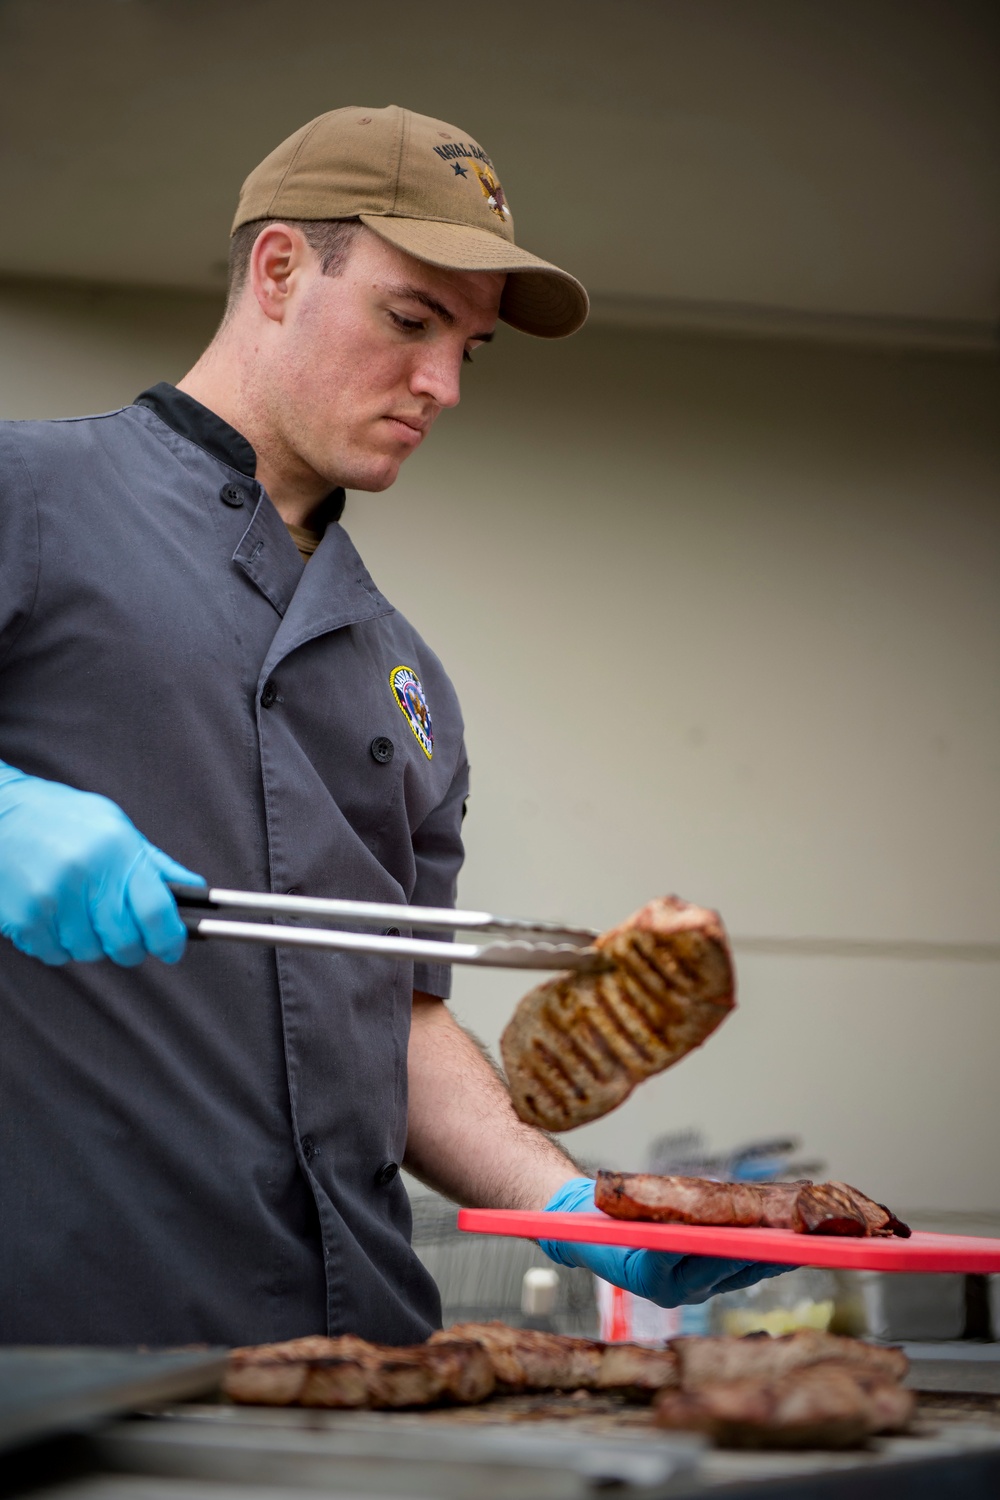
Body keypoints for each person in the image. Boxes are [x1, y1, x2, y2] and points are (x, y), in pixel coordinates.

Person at [0, 105, 777, 1346]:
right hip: (66, 1341)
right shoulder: (30, 495)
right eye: (412, 322)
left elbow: (393, 1017)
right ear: (279, 269)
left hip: (364, 1355)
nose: (442, 386)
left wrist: (570, 1202)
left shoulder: (404, 676)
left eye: (469, 348)